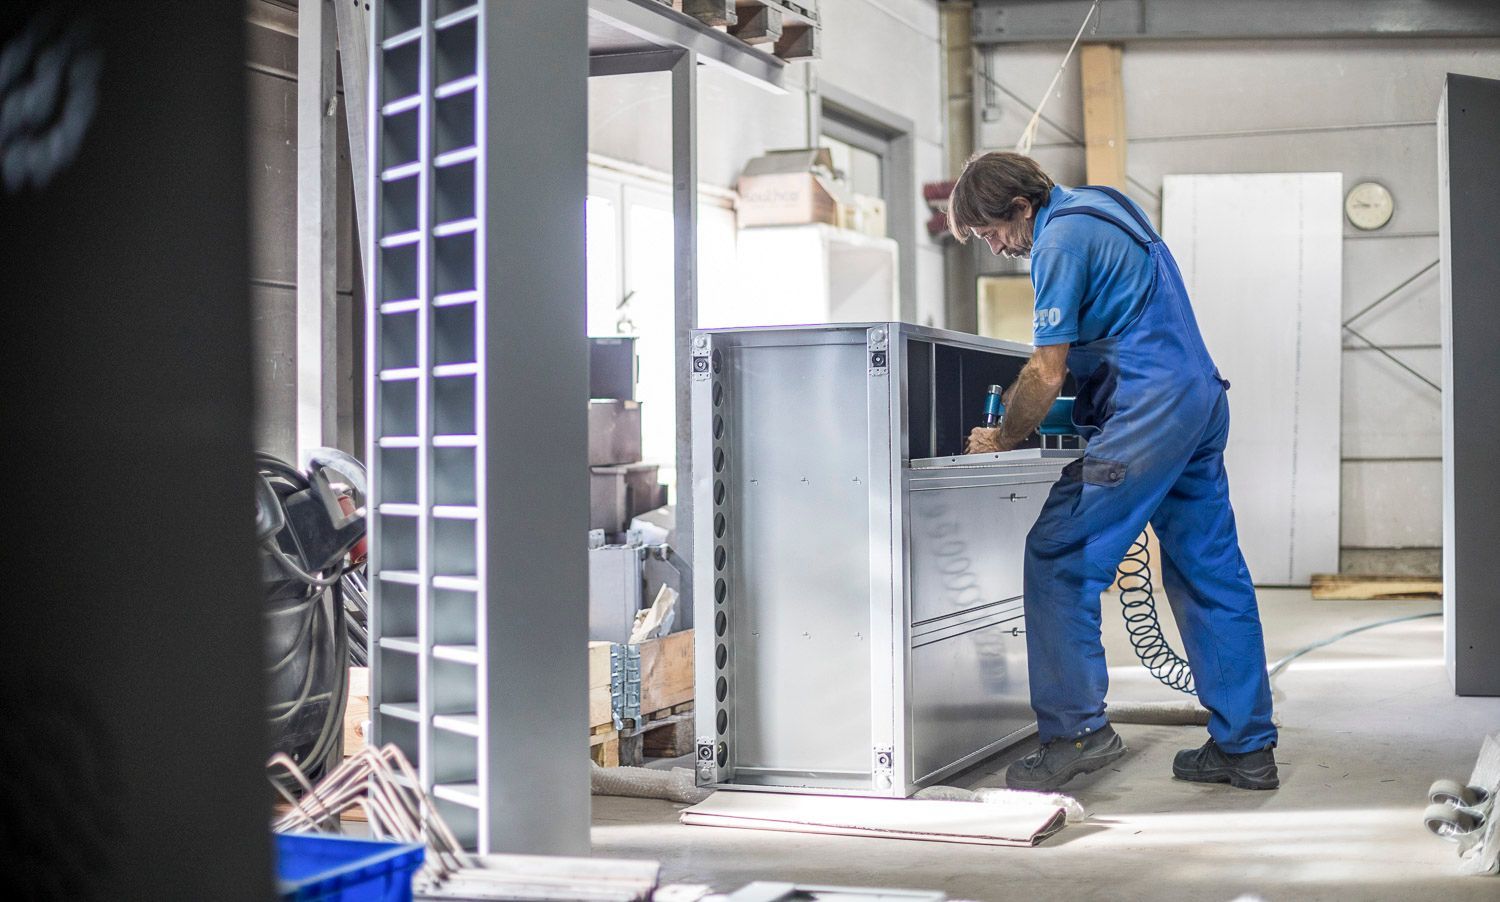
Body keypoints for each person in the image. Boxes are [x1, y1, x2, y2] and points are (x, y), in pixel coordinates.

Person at [948, 152, 1279, 791]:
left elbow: (1046, 370)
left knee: (1059, 554)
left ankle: (1076, 734)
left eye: (993, 232)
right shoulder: (1103, 205)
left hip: (1148, 413)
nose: (997, 247)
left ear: (1021, 207)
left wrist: (1003, 435)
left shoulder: (1057, 242)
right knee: (1208, 569)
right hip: (1198, 401)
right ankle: (1246, 749)